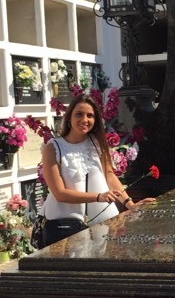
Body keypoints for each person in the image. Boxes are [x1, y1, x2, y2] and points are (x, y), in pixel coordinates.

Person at [40, 94, 153, 247]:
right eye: (79, 114)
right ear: (69, 117)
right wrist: (98, 197)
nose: (84, 120)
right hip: (65, 225)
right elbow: (59, 193)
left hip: (101, 224)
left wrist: (131, 205)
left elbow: (109, 176)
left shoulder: (98, 144)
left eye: (90, 115)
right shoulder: (53, 148)